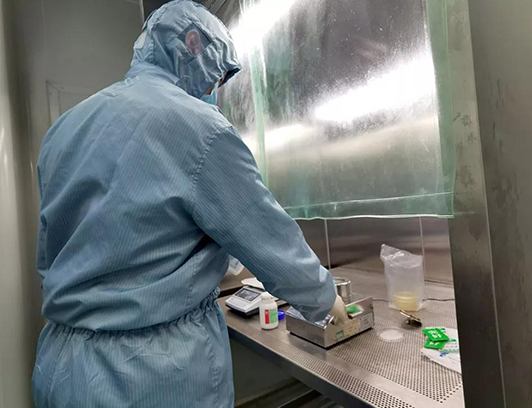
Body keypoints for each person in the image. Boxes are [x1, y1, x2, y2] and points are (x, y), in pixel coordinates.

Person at [32, 1, 347, 407]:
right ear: (193, 44)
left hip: (61, 365)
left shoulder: (62, 131)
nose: (215, 89)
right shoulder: (198, 126)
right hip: (147, 375)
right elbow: (268, 237)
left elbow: (59, 252)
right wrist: (326, 300)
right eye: (218, 74)